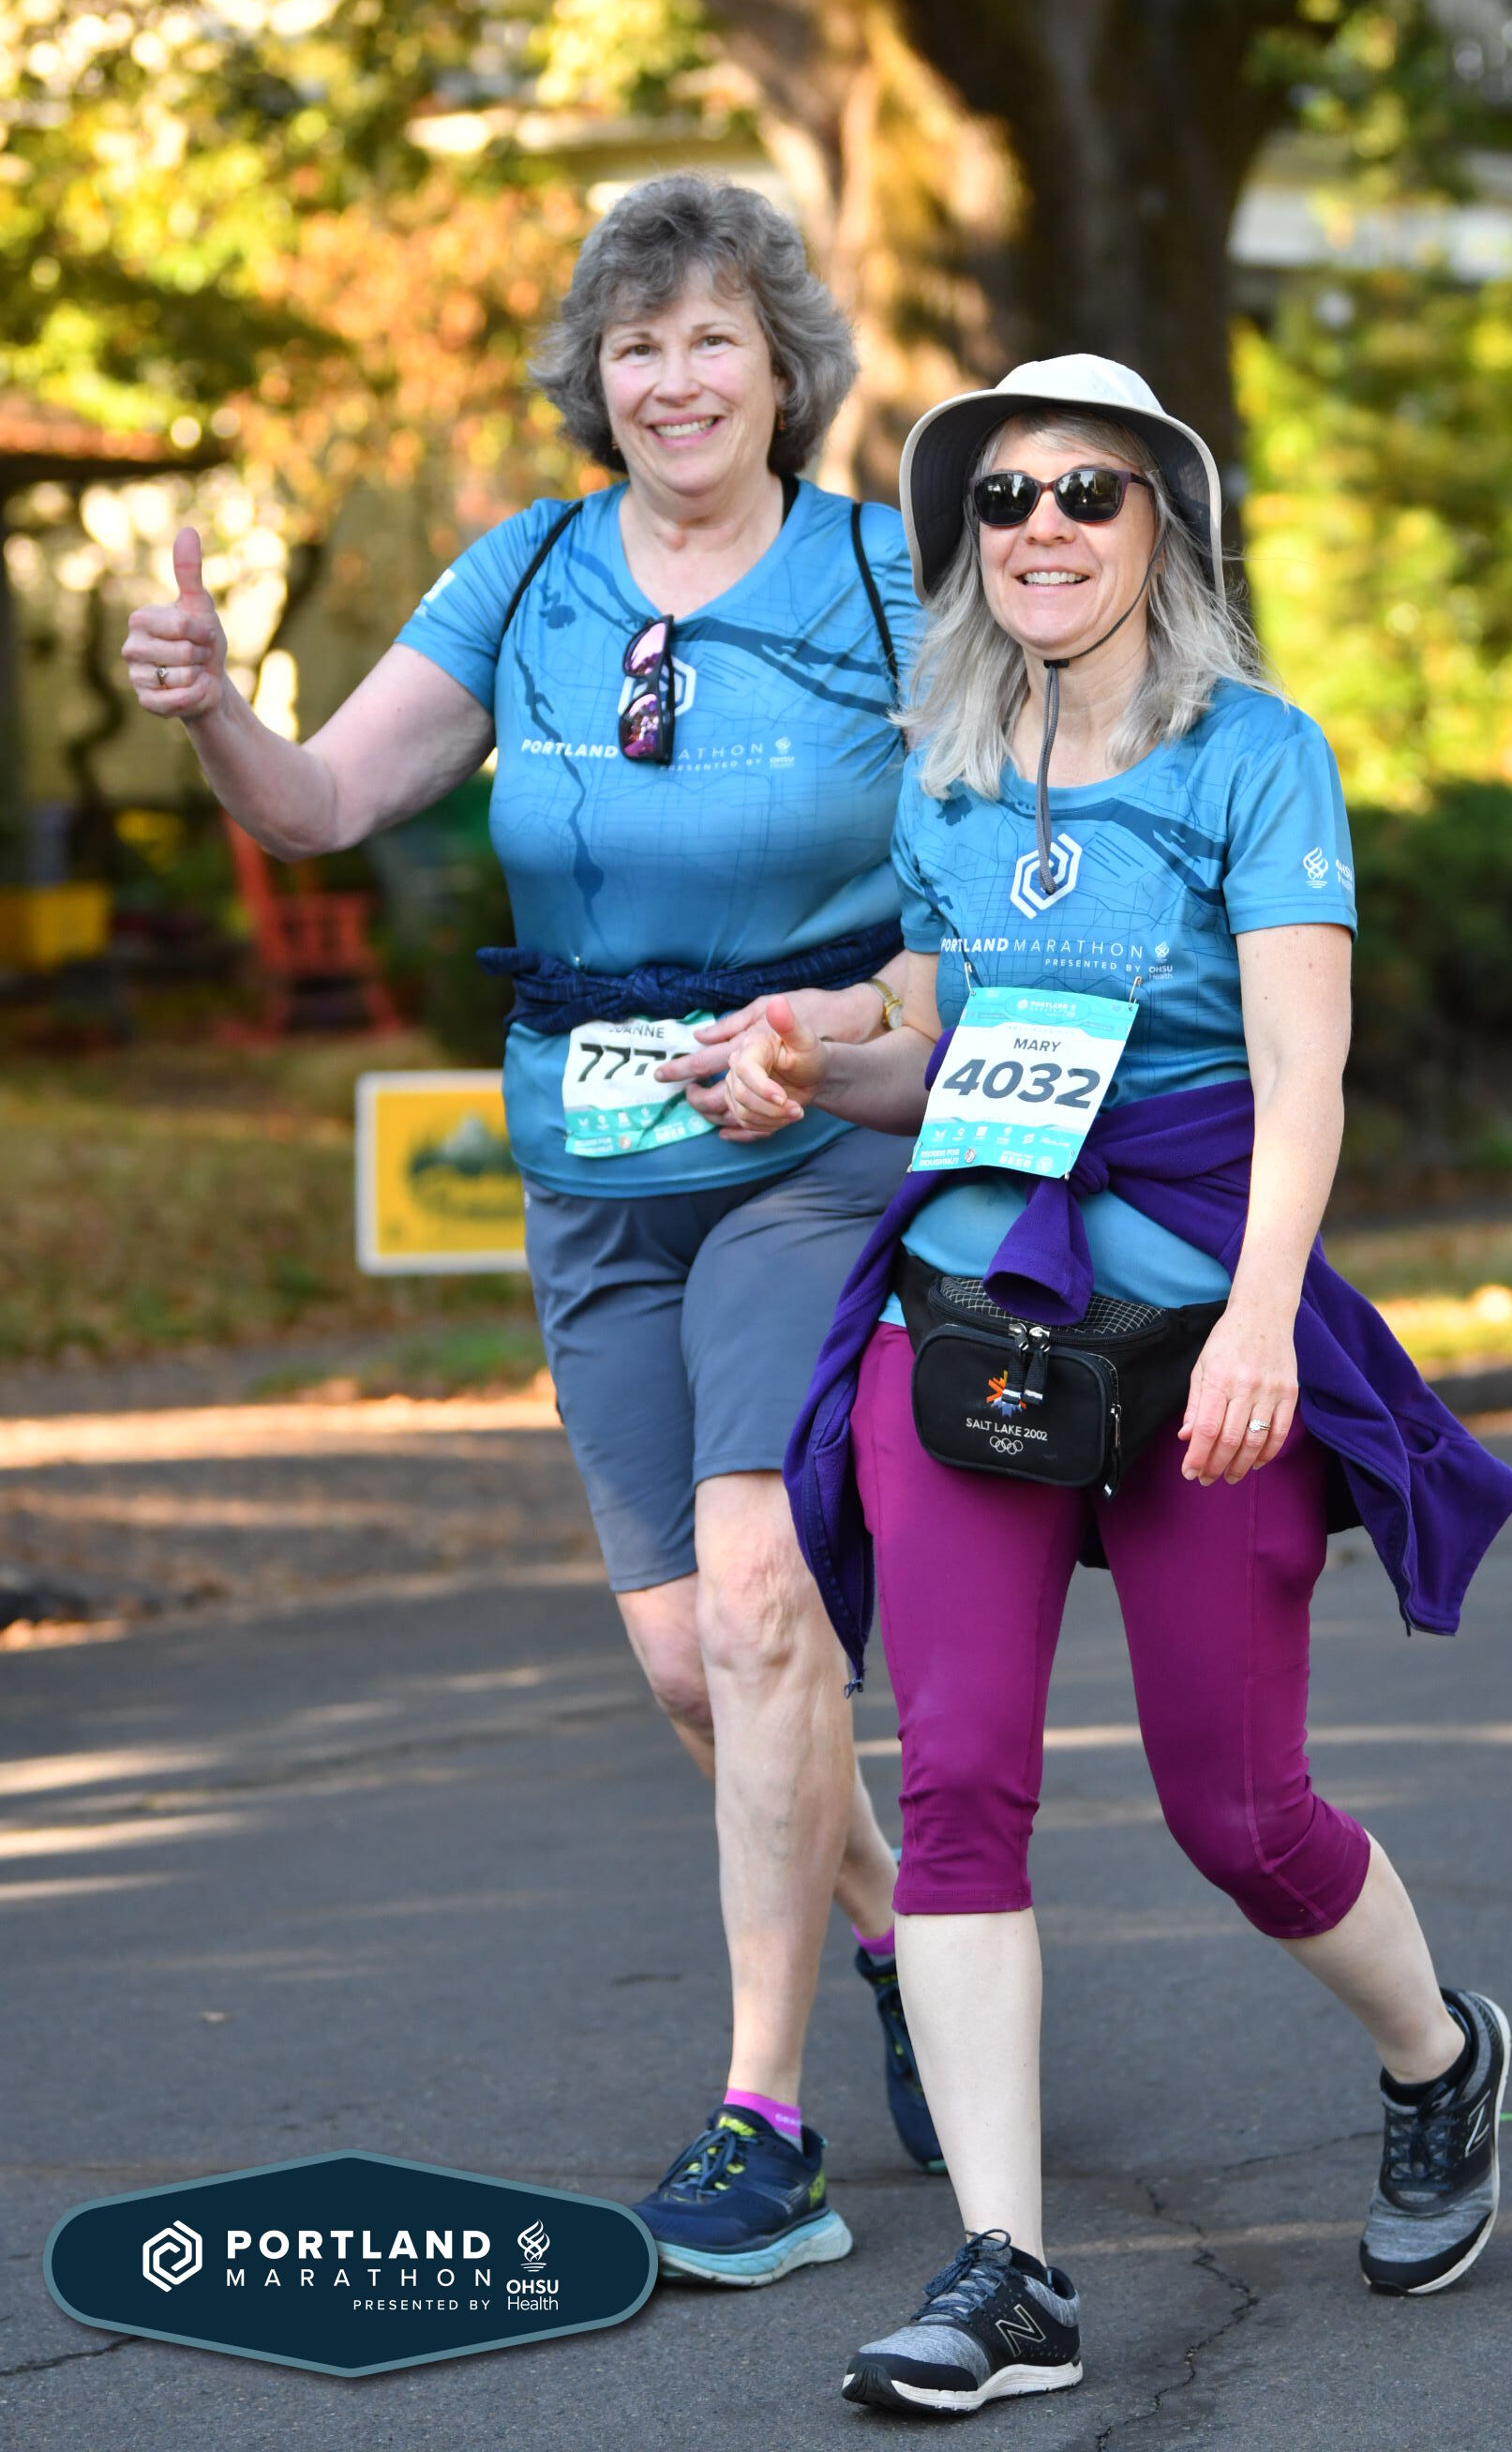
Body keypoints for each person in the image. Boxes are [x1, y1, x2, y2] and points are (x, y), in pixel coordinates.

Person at [119, 173, 947, 2288]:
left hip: (806, 1146)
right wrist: (211, 707)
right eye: (635, 343)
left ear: (782, 368)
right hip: (592, 1166)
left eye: (712, 337)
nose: (673, 378)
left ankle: (764, 2124)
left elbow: (978, 883)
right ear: (597, 376)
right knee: (685, 1660)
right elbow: (320, 804)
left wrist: (844, 1034)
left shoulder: (885, 579)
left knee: (758, 1594)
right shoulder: (525, 575)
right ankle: (906, 1936)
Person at [723, 354, 1512, 2412]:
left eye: (1089, 490)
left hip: (1195, 1332)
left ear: (1165, 519)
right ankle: (1007, 2273)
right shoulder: (945, 763)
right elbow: (936, 1043)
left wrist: (1263, 1320)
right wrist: (811, 1057)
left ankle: (1436, 2056)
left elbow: (1301, 1074)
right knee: (960, 1781)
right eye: (1004, 498)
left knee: (1236, 1812)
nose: (1044, 528)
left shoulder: (1259, 754)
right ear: (966, 541)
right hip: (970, 1316)